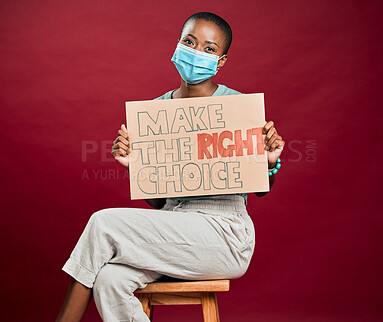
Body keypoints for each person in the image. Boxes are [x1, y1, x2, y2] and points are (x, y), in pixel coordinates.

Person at [56, 12, 285, 322]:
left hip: (223, 235)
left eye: (208, 48)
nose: (195, 52)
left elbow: (258, 190)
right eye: (189, 42)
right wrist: (133, 169)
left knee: (103, 223)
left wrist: (268, 164)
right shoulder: (157, 114)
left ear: (220, 61)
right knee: (111, 279)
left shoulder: (238, 107)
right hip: (173, 229)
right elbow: (161, 202)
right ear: (177, 45)